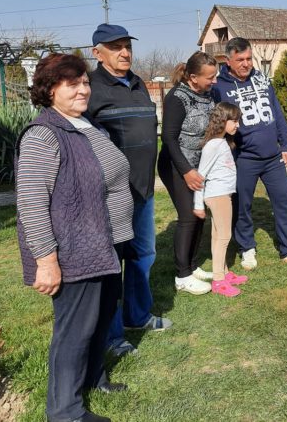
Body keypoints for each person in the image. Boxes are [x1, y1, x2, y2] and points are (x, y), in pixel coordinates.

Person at [16, 53, 131, 422]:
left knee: (101, 317)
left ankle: (93, 378)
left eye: (85, 82)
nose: (83, 89)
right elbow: (31, 202)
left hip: (105, 244)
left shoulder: (84, 124)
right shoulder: (43, 134)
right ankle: (65, 411)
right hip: (75, 250)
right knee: (75, 330)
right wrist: (46, 260)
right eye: (73, 84)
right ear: (50, 90)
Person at [87, 23, 170, 358]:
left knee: (142, 255)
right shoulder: (90, 89)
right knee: (111, 264)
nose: (124, 52)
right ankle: (112, 335)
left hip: (144, 190)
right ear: (97, 53)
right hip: (111, 196)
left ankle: (137, 315)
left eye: (127, 46)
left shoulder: (138, 84)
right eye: (115, 47)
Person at [212, 37, 287, 269]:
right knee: (242, 206)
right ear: (228, 61)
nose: (246, 63)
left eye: (249, 58)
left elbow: (276, 111)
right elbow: (217, 122)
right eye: (240, 60)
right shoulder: (219, 87)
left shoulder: (261, 78)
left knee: (284, 200)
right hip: (243, 157)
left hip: (272, 156)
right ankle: (247, 248)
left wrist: (285, 145)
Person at [157, 52, 219, 296]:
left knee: (200, 215)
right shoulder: (177, 98)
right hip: (176, 165)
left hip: (199, 166)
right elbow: (169, 139)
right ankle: (182, 276)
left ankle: (192, 266)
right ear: (193, 77)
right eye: (210, 77)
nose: (214, 81)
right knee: (188, 216)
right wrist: (186, 171)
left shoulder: (209, 94)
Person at [192, 102, 249, 297]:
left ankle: (223, 273)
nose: (238, 125)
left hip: (222, 195)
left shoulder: (222, 142)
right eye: (234, 121)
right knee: (224, 236)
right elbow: (200, 175)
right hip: (218, 196)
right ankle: (218, 280)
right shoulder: (213, 145)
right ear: (222, 121)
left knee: (218, 236)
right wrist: (198, 205)